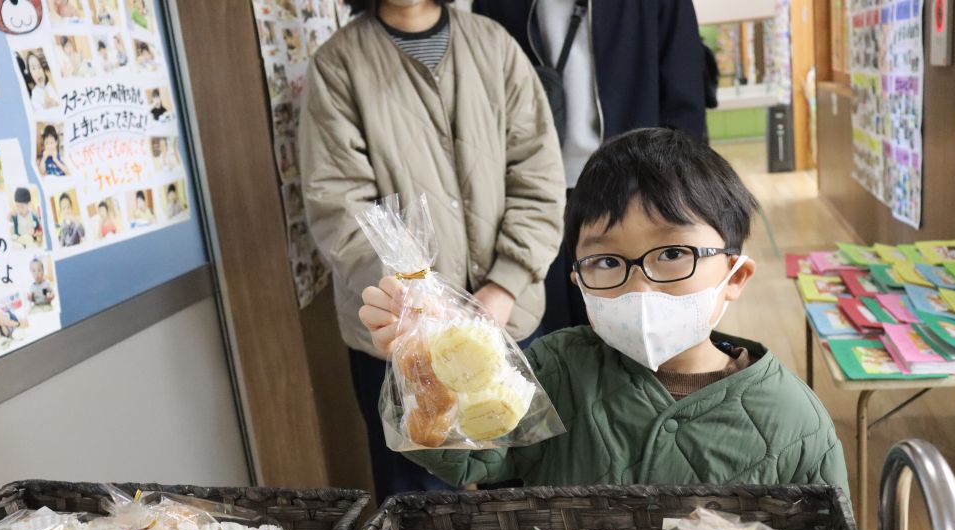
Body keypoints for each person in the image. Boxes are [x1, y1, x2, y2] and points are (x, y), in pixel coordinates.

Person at [358, 128, 850, 495]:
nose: (640, 283)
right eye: (608, 261)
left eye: (673, 254)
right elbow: (469, 460)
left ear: (735, 276)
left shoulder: (795, 424)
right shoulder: (553, 370)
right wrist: (420, 367)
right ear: (579, 281)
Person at [301, 0, 564, 501]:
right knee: (418, 496)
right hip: (398, 332)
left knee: (524, 481)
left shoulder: (493, 44)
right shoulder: (338, 64)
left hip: (507, 319)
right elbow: (339, 206)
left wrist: (505, 284)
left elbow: (538, 174)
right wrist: (421, 307)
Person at [473, 0, 707, 334]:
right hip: (537, 194)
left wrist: (677, 195)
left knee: (635, 328)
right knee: (555, 335)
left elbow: (684, 98)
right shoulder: (496, 5)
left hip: (636, 186)